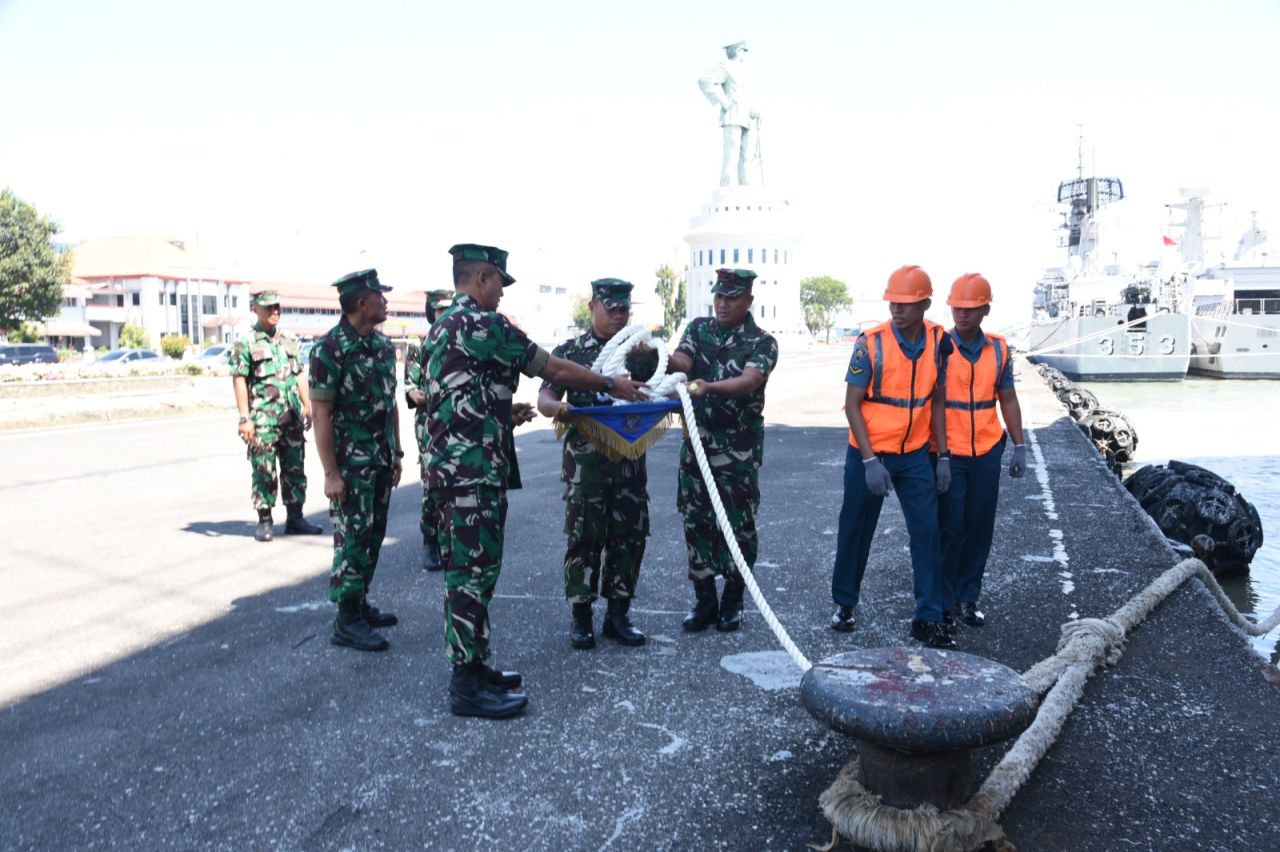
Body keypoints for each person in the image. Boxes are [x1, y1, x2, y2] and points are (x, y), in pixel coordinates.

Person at [426, 244, 648, 720]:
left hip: (457, 467)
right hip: (470, 473)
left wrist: (504, 413)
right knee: (471, 575)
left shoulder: (444, 325)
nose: (501, 295)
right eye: (499, 285)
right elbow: (552, 369)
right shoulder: (483, 324)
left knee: (476, 572)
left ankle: (477, 664)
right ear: (482, 277)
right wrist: (609, 385)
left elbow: (456, 395)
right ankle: (466, 684)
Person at [830, 265, 956, 650]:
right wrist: (869, 461)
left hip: (916, 454)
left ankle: (928, 616)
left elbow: (936, 399)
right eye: (893, 303)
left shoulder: (939, 341)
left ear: (925, 304)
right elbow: (852, 405)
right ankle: (845, 604)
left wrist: (945, 455)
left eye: (906, 303)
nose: (896, 310)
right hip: (870, 452)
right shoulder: (870, 343)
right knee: (856, 529)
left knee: (927, 533)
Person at [536, 279, 658, 650]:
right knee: (583, 540)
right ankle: (582, 618)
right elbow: (545, 396)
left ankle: (618, 617)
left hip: (629, 465)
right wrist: (557, 408)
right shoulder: (571, 351)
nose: (619, 315)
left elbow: (663, 382)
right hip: (585, 468)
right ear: (592, 307)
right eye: (611, 308)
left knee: (629, 539)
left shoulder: (641, 352)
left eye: (624, 309)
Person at [667, 267, 777, 634]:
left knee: (739, 526)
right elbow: (683, 359)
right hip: (696, 447)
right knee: (696, 521)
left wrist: (707, 387)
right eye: (719, 296)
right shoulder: (698, 329)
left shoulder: (762, 342)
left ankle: (733, 599)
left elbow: (749, 380)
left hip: (737, 453)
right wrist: (666, 365)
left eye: (731, 297)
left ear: (748, 301)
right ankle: (704, 600)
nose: (723, 303)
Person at [308, 269, 402, 653]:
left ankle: (360, 603)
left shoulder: (381, 346)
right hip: (350, 465)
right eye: (381, 296)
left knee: (373, 534)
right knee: (353, 538)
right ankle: (346, 620)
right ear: (363, 303)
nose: (386, 302)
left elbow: (390, 402)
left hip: (379, 459)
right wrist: (331, 473)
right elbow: (321, 414)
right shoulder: (329, 349)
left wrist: (395, 452)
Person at [937, 274, 1026, 630]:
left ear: (986, 309)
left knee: (979, 527)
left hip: (987, 450)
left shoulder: (1000, 350)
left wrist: (1019, 445)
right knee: (950, 527)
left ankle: (968, 596)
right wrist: (940, 454)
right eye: (958, 308)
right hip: (950, 452)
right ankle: (944, 601)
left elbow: (1008, 398)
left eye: (971, 309)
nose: (963, 315)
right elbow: (933, 401)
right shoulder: (939, 347)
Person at [230, 289, 324, 542]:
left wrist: (307, 405)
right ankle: (265, 520)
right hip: (263, 419)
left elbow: (299, 374)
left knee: (295, 467)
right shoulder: (246, 342)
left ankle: (295, 517)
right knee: (264, 470)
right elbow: (239, 378)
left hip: (290, 416)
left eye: (277, 307)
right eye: (269, 307)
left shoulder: (289, 339)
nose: (274, 312)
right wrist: (244, 417)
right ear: (255, 310)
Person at [404, 289, 454, 572]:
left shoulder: (460, 343)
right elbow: (411, 390)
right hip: (430, 424)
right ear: (430, 312)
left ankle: (450, 540)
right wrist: (425, 395)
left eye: (449, 309)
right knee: (432, 482)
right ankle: (430, 540)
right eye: (439, 310)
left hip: (458, 422)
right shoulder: (418, 346)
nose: (445, 315)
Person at [698, 40, 760, 187]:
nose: (745, 55)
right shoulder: (726, 65)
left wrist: (752, 110)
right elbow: (704, 81)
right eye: (744, 51)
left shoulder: (742, 70)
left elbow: (743, 93)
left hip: (745, 117)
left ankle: (745, 186)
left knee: (746, 155)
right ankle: (727, 186)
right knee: (731, 155)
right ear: (738, 51)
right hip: (732, 116)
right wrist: (722, 101)